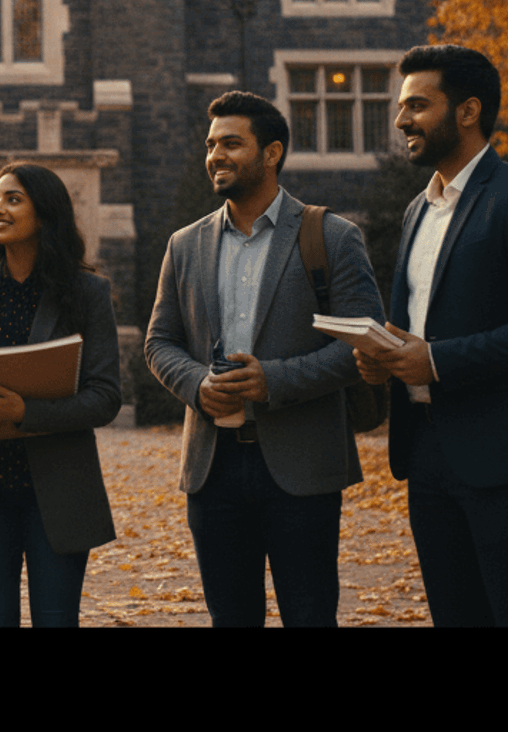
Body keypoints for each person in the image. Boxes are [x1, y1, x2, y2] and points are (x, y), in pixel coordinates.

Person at [355, 44, 508, 627]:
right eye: (401, 105)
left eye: (417, 104)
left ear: (467, 111)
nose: (401, 119)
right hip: (428, 451)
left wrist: (434, 360)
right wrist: (385, 358)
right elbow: (420, 327)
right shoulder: (419, 210)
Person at [145, 92, 383, 627]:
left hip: (302, 468)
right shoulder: (185, 245)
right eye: (210, 145)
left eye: (232, 143)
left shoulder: (333, 237)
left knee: (310, 614)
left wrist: (271, 380)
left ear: (272, 152)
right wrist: (197, 384)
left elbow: (362, 345)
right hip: (213, 467)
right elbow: (159, 342)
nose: (215, 156)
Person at [0, 163, 121, 627]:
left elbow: (105, 396)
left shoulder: (88, 292)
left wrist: (25, 413)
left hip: (58, 493)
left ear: (45, 212)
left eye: (13, 199)